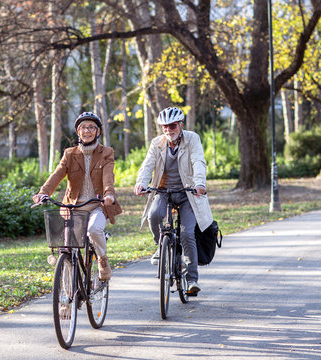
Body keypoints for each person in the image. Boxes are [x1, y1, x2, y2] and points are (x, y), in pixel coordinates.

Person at [33, 111, 122, 280]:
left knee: (94, 230)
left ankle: (102, 259)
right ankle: (66, 299)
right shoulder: (69, 154)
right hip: (73, 208)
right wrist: (43, 193)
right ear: (77, 131)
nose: (87, 131)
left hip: (98, 205)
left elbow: (108, 177)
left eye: (91, 127)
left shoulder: (106, 153)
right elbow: (56, 175)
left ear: (98, 132)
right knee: (67, 250)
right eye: (83, 127)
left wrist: (109, 194)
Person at [134, 107, 213, 294]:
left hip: (188, 194)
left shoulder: (192, 139)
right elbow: (147, 165)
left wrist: (199, 183)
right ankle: (160, 247)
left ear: (181, 125)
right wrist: (141, 183)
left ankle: (192, 279)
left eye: (172, 126)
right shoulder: (157, 143)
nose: (169, 130)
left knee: (187, 233)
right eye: (165, 127)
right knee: (154, 216)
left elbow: (198, 161)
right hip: (163, 192)